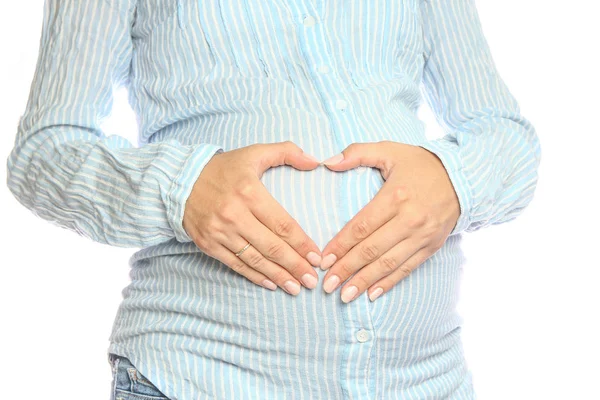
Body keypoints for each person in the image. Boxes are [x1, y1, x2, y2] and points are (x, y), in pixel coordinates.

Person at [5, 0, 541, 399]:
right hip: (200, 377)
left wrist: (453, 178)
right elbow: (44, 152)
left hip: (427, 381)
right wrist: (181, 187)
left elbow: (505, 135)